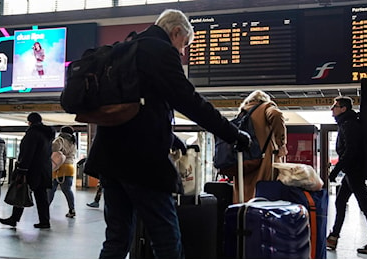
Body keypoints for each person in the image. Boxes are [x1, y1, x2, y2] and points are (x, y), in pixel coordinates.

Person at [83, 9, 251, 259]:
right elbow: (190, 101)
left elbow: (137, 107)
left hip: (109, 160)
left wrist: (171, 137)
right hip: (142, 163)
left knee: (117, 238)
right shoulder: (160, 52)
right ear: (175, 32)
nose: (182, 53)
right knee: (166, 238)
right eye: (184, 44)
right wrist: (233, 134)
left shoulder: (127, 48)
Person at [327, 96, 367, 254]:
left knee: (365, 206)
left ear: (343, 109)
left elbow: (351, 151)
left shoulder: (349, 124)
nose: (332, 109)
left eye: (335, 106)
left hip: (354, 172)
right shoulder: (347, 123)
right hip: (351, 172)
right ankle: (333, 237)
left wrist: (335, 171)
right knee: (340, 202)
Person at [0, 112, 55, 229]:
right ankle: (44, 221)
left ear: (29, 122)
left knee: (21, 191)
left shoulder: (32, 133)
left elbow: (27, 153)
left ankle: (14, 219)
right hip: (44, 169)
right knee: (41, 196)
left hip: (32, 169)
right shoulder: (47, 134)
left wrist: (22, 170)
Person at [232, 90, 288, 203]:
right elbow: (276, 115)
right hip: (264, 158)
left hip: (243, 160)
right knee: (264, 191)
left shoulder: (242, 113)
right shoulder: (265, 108)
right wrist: (281, 143)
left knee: (244, 192)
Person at [47, 126, 78, 218]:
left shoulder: (60, 140)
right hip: (69, 167)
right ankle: (72, 209)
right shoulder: (73, 142)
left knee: (51, 189)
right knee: (67, 190)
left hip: (59, 166)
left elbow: (54, 148)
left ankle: (45, 208)